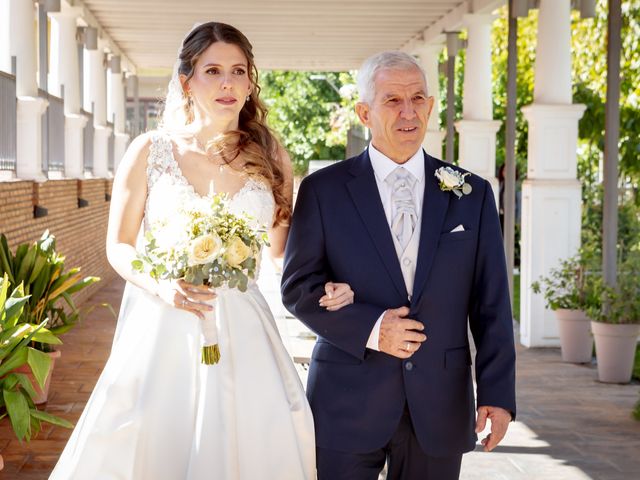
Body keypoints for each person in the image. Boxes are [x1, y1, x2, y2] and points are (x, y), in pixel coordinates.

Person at [50, 22, 354, 480]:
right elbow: (119, 245)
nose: (228, 83)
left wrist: (327, 279)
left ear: (251, 82)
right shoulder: (150, 151)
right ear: (186, 80)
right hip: (163, 325)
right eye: (213, 70)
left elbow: (280, 252)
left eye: (238, 71)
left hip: (245, 331)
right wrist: (159, 284)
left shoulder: (271, 155)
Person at [281, 51, 516, 480]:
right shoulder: (323, 191)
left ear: (430, 106)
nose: (409, 112)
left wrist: (498, 393)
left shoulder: (472, 193)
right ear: (365, 113)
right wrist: (372, 328)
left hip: (440, 404)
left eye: (418, 99)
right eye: (392, 100)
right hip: (346, 401)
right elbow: (298, 288)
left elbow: (492, 304)